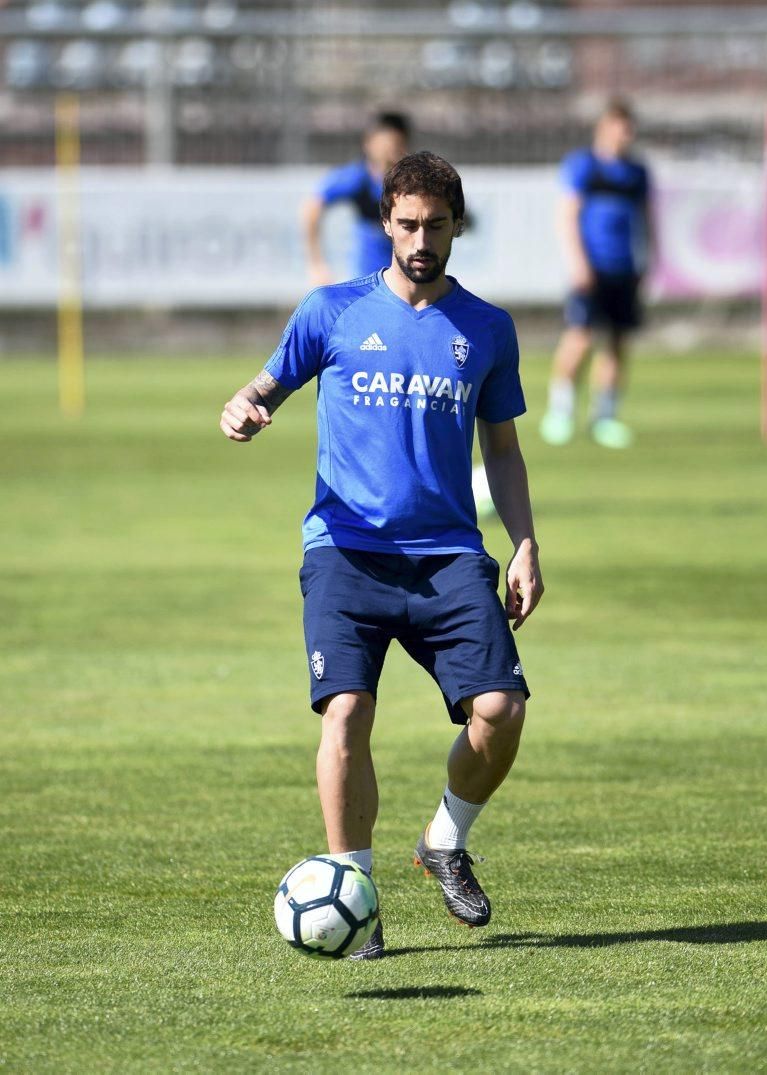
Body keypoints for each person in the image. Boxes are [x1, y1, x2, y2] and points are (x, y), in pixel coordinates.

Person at [221, 151, 544, 959]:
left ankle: (444, 839)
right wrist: (246, 404)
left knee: (502, 711)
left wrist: (526, 544)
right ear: (385, 224)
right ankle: (355, 894)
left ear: (457, 225)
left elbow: (500, 450)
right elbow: (267, 384)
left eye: (436, 224)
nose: (421, 238)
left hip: (447, 554)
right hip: (346, 551)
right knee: (348, 711)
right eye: (407, 223)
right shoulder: (330, 311)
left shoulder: (488, 328)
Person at [540, 99, 655, 450]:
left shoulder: (637, 173)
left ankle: (604, 417)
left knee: (618, 342)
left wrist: (647, 261)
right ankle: (560, 411)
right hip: (591, 268)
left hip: (625, 268)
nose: (625, 135)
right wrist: (578, 262)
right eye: (619, 127)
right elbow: (567, 216)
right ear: (604, 128)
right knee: (581, 338)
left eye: (629, 128)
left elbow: (647, 220)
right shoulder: (584, 167)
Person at [302, 112, 411, 286]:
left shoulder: (414, 180)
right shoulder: (357, 178)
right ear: (368, 144)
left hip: (407, 275)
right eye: (384, 143)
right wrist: (317, 264)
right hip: (367, 276)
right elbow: (312, 207)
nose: (389, 149)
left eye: (395, 143)